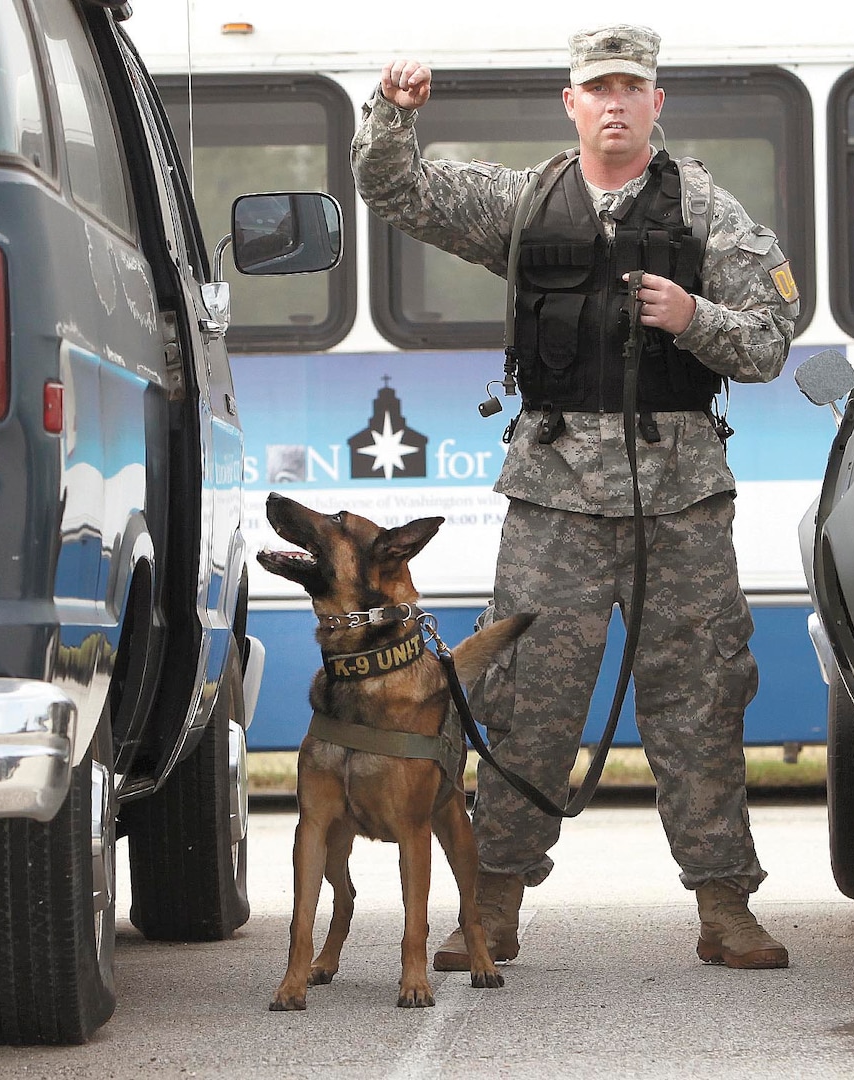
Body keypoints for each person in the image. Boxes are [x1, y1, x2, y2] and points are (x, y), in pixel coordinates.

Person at [351, 24, 799, 971]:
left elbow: (767, 340)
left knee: (700, 701)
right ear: (572, 102)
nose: (614, 102)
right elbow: (397, 191)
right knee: (526, 705)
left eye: (631, 86)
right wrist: (394, 113)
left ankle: (725, 909)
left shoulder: (707, 212)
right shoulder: (523, 205)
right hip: (554, 503)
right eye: (597, 87)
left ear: (656, 102)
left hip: (679, 504)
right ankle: (497, 902)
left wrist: (693, 316)